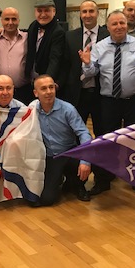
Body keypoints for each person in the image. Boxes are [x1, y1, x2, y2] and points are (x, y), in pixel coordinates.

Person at [80, 10, 135, 196]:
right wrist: (87, 63)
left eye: (122, 23)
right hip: (108, 102)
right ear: (108, 27)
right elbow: (91, 73)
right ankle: (103, 180)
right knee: (106, 141)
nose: (119, 27)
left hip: (134, 101)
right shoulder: (99, 47)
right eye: (114, 24)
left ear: (127, 25)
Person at [32, 75, 92, 205]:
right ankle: (59, 180)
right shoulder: (32, 111)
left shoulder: (68, 109)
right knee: (47, 199)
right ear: (36, 93)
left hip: (69, 152)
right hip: (49, 156)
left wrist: (85, 160)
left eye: (51, 87)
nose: (49, 92)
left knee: (92, 158)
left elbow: (84, 133)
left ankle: (78, 185)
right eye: (44, 88)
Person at [65, 0, 109, 136]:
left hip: (101, 92)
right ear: (80, 14)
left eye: (91, 11)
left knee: (102, 132)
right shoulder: (70, 36)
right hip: (78, 93)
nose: (88, 15)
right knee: (75, 133)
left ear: (98, 13)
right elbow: (66, 65)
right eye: (84, 11)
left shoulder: (108, 35)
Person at [25, 0, 67, 91]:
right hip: (31, 81)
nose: (43, 14)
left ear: (54, 11)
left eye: (47, 10)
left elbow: (55, 60)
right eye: (39, 11)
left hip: (46, 82)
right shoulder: (33, 26)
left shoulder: (58, 32)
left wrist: (46, 83)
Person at [0, 7, 31, 104]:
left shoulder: (27, 38)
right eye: (7, 19)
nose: (10, 22)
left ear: (19, 21)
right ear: (1, 21)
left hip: (23, 91)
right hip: (1, 93)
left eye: (14, 19)